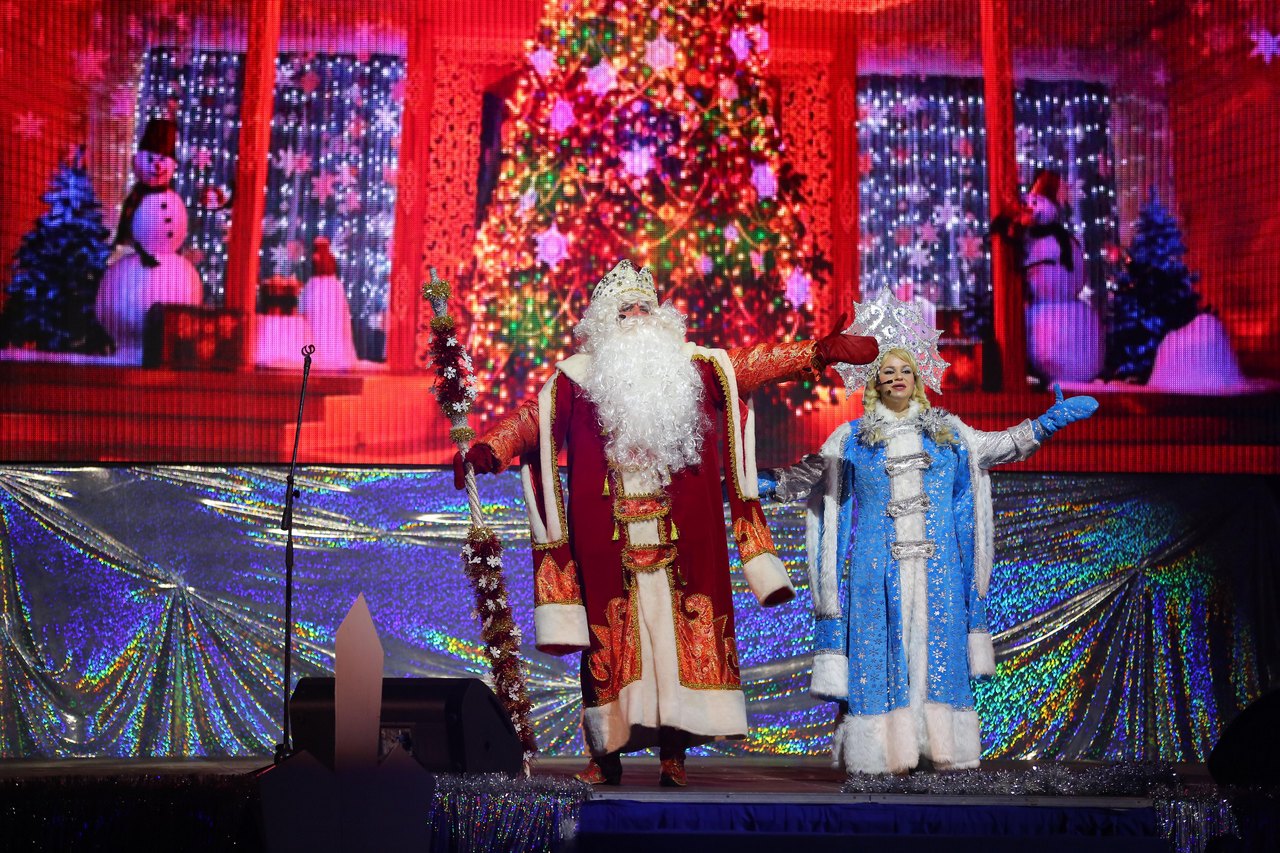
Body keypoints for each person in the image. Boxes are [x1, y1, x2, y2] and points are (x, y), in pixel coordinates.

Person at [454, 258, 877, 786]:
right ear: (604, 323)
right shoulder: (576, 378)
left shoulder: (694, 366)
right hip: (609, 543)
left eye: (644, 308)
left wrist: (815, 353)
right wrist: (489, 450)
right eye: (624, 310)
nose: (637, 317)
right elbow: (530, 422)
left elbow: (753, 365)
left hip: (682, 540)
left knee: (681, 645)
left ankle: (673, 754)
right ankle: (604, 756)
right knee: (608, 646)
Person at [762, 294, 1097, 776]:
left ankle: (940, 746)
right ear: (874, 381)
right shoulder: (852, 440)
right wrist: (758, 483)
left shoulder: (950, 434)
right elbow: (811, 476)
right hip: (876, 570)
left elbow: (997, 447)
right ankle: (881, 753)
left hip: (939, 569)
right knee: (879, 656)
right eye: (887, 371)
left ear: (918, 378)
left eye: (905, 370)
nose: (897, 378)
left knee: (939, 655)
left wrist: (1045, 425)